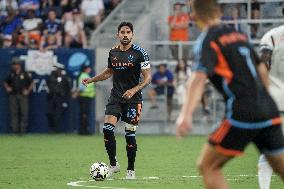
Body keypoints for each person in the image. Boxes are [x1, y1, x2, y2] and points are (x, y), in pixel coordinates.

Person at [176, 1, 284, 189]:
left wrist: (185, 115)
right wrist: (263, 100)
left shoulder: (207, 40)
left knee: (207, 165)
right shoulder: (239, 36)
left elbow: (198, 78)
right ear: (218, 11)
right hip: (269, 109)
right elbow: (262, 71)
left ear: (194, 17)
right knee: (281, 168)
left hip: (242, 112)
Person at [82, 22, 152, 179]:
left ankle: (131, 171)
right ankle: (114, 164)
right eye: (122, 32)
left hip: (134, 99)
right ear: (118, 35)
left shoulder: (140, 53)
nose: (125, 34)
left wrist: (134, 90)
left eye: (128, 32)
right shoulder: (113, 52)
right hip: (116, 97)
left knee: (130, 135)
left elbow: (148, 77)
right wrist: (92, 79)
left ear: (132, 34)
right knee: (107, 129)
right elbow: (108, 72)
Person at [257, 23, 284, 189]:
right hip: (276, 101)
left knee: (269, 150)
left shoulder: (272, 35)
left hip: (274, 100)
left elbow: (262, 63)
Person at [4, 58, 33, 134]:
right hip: (13, 95)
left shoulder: (25, 73)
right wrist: (7, 87)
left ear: (18, 65)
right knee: (14, 113)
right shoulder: (11, 73)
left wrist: (28, 91)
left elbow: (32, 83)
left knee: (24, 113)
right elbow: (5, 82)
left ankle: (22, 130)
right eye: (13, 65)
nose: (13, 66)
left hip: (23, 96)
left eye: (14, 64)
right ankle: (14, 130)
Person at [46, 65, 71, 133]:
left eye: (58, 70)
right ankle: (52, 127)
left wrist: (65, 99)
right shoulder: (50, 78)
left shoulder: (64, 78)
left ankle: (56, 129)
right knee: (49, 113)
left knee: (58, 114)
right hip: (51, 97)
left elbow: (68, 89)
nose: (57, 71)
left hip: (60, 98)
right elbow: (48, 85)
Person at [74, 64, 95, 135]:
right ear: (86, 69)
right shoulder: (84, 76)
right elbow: (81, 88)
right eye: (89, 68)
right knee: (84, 114)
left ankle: (83, 130)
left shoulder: (84, 76)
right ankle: (84, 131)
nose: (90, 69)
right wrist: (76, 95)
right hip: (84, 98)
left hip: (86, 97)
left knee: (84, 114)